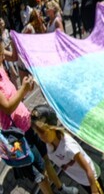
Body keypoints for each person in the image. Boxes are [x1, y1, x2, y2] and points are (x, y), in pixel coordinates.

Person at [0, 44, 78, 194]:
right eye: (1, 54)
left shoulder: (1, 69)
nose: (3, 58)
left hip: (27, 123)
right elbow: (7, 107)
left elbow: (13, 96)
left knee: (46, 159)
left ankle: (61, 189)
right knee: (39, 174)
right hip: (17, 135)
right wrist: (23, 89)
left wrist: (25, 90)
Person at [31, 105, 104, 194]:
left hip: (91, 178)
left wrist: (94, 190)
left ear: (53, 127)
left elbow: (88, 169)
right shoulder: (49, 145)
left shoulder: (69, 147)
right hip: (81, 179)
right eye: (38, 134)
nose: (41, 137)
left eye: (43, 133)